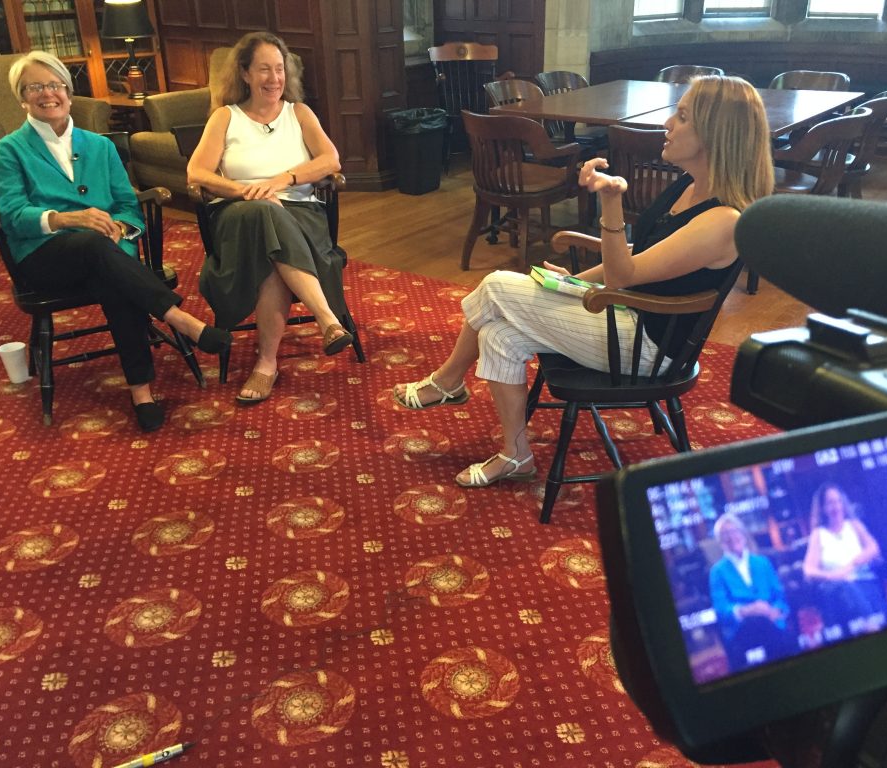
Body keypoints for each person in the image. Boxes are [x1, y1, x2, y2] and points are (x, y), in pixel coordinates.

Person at [393, 75, 774, 487]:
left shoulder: (723, 221)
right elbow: (635, 262)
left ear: (715, 132)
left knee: (498, 285)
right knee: (499, 335)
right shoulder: (688, 185)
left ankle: (448, 381)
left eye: (682, 117)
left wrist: (610, 202)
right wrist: (573, 282)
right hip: (627, 314)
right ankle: (516, 455)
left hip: (649, 347)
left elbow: (624, 273)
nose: (667, 123)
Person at [0, 51, 232, 433]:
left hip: (104, 254)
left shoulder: (99, 147)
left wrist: (122, 226)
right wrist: (66, 218)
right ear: (22, 97)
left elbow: (126, 204)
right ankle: (178, 318)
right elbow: (13, 214)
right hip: (44, 257)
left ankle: (141, 391)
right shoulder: (9, 150)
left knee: (112, 273)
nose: (47, 94)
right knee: (94, 248)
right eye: (35, 87)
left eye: (55, 85)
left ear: (69, 93)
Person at [187, 31, 352, 406]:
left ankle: (266, 364)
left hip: (298, 214)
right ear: (245, 73)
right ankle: (327, 319)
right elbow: (197, 173)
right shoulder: (224, 117)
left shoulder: (300, 113)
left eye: (279, 69)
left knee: (270, 248)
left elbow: (331, 161)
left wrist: (282, 180)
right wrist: (249, 191)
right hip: (237, 215)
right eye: (264, 69)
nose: (273, 79)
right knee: (262, 214)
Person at [707, 513, 793, 671]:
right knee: (760, 625)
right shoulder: (717, 572)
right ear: (720, 542)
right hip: (742, 630)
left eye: (734, 531)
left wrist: (775, 611)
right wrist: (748, 611)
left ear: (743, 534)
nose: (732, 537)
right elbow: (721, 610)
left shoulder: (762, 562)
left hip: (773, 621)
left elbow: (780, 596)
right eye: (725, 534)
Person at [803, 482, 887, 635]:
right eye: (830, 503)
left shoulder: (854, 525)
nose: (835, 507)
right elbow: (808, 570)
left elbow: (873, 548)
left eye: (837, 501)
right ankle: (871, 626)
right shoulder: (818, 534)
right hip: (837, 590)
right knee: (846, 587)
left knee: (862, 590)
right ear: (822, 508)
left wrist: (853, 563)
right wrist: (833, 575)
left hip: (863, 581)